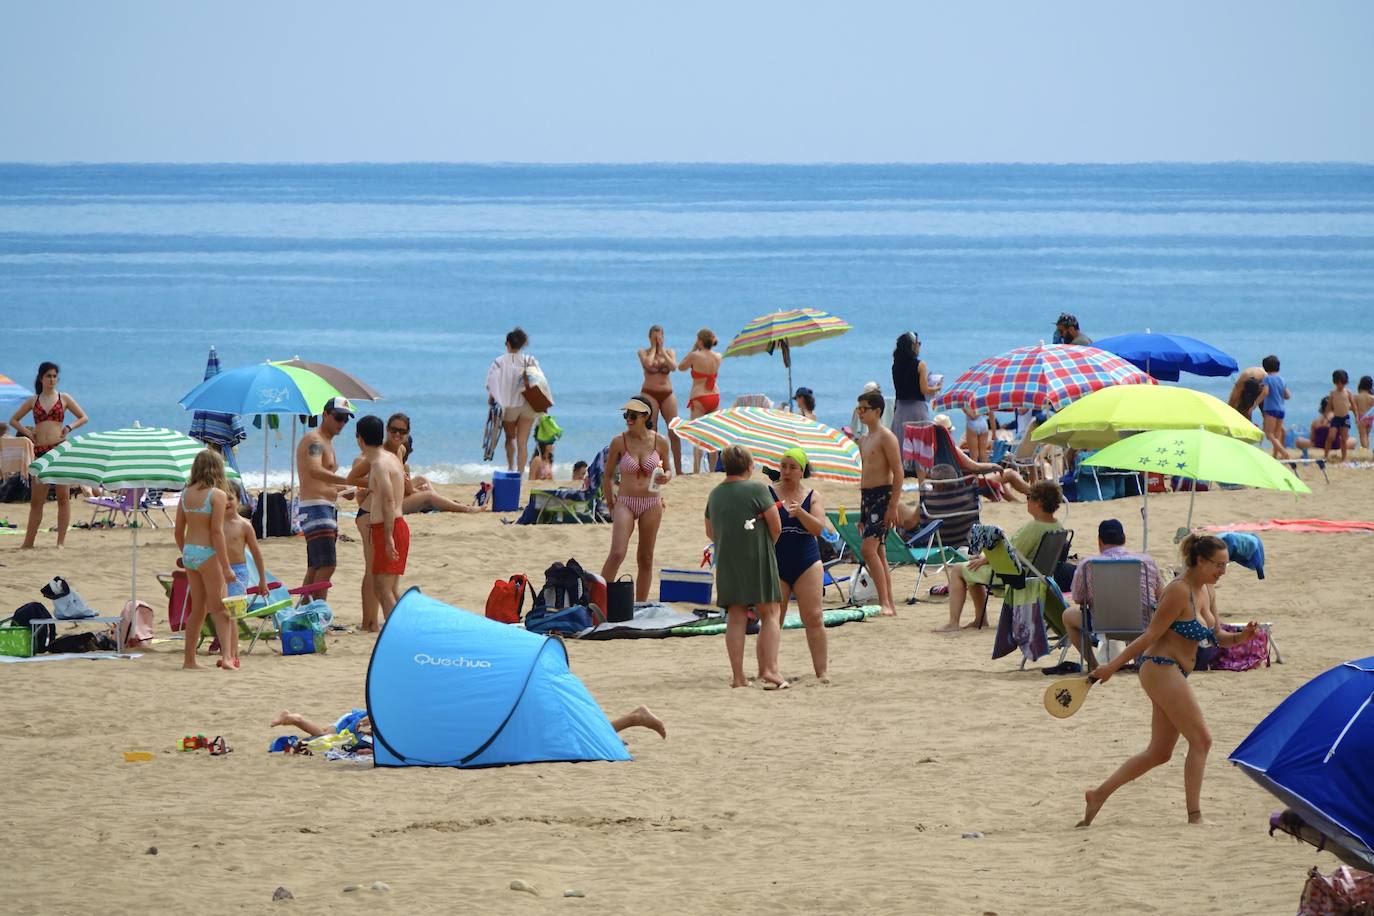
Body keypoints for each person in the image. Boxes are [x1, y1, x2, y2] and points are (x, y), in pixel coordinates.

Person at [1077, 534, 1260, 828]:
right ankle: (1195, 816)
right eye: (1218, 565)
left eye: (1226, 565)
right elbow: (1150, 635)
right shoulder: (1178, 591)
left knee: (1159, 752)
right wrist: (1110, 667)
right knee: (1202, 739)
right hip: (1160, 666)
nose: (1223, 571)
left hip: (1174, 671)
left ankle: (1098, 795)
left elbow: (1218, 637)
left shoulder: (1208, 590)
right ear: (1199, 560)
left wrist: (1242, 637)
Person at [705, 445, 785, 689]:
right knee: (770, 612)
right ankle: (768, 670)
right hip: (757, 554)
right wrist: (764, 543)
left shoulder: (715, 494)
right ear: (750, 467)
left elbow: (710, 532)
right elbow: (776, 526)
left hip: (728, 558)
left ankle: (738, 676)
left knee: (736, 616)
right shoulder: (757, 489)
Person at [936, 480, 1064, 632]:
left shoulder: (1034, 527)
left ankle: (954, 623)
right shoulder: (1058, 527)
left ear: (1039, 503)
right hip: (1040, 576)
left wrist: (986, 558)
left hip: (1015, 576)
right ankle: (980, 619)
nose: (1026, 500)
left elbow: (1013, 554)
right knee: (971, 568)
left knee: (958, 569)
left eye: (1029, 497)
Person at [1056, 518, 1163, 673]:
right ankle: (1142, 661)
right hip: (1142, 625)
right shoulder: (1146, 562)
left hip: (1103, 624)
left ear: (1099, 541)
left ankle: (1093, 664)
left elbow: (1078, 598)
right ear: (1124, 538)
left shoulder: (1088, 564)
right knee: (1146, 608)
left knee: (1068, 615)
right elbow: (1161, 596)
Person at [8, 362, 88, 549]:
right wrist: (29, 433)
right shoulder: (33, 400)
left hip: (59, 449)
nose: (52, 379)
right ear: (41, 378)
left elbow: (83, 417)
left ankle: (60, 543)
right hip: (40, 451)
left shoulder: (64, 398)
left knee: (62, 498)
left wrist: (69, 427)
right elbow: (14, 420)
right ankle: (28, 543)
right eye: (48, 376)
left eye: (54, 376)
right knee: (37, 501)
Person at [601, 397, 672, 602]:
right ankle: (596, 601)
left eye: (632, 416)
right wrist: (611, 504)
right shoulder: (619, 441)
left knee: (646, 557)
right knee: (617, 553)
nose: (628, 420)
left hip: (651, 503)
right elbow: (607, 476)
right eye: (626, 415)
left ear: (645, 416)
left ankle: (640, 605)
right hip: (626, 501)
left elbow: (668, 470)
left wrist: (666, 477)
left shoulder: (660, 441)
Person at [769, 447, 829, 682]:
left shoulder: (812, 495)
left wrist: (800, 513)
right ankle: (771, 670)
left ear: (802, 471)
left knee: (814, 617)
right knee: (775, 618)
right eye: (783, 466)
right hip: (777, 560)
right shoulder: (768, 493)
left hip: (807, 561)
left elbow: (818, 528)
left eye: (792, 467)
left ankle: (822, 672)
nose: (786, 471)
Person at [174, 450, 236, 671]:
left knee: (198, 609)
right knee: (220, 609)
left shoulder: (185, 494)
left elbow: (179, 530)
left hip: (190, 551)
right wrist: (226, 566)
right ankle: (227, 657)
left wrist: (186, 553)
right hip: (208, 552)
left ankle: (189, 660)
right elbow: (216, 533)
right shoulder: (217, 495)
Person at [295, 396, 354, 603]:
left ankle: (304, 613)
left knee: (316, 565)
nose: (342, 423)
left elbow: (323, 478)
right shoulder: (315, 440)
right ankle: (317, 613)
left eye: (346, 419)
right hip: (315, 507)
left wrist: (345, 488)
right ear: (325, 414)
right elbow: (314, 470)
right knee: (328, 564)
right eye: (338, 418)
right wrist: (349, 479)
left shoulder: (326, 442)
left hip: (324, 506)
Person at [856, 389, 903, 617]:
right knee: (879, 553)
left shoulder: (886, 437)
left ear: (877, 411)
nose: (860, 413)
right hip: (868, 498)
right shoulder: (863, 440)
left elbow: (899, 472)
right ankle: (889, 604)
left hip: (883, 496)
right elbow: (865, 477)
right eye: (859, 408)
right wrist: (862, 513)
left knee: (868, 549)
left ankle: (884, 601)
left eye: (864, 409)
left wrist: (893, 505)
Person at [356, 415, 408, 620]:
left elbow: (388, 501)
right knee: (386, 588)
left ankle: (396, 635)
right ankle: (401, 631)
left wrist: (388, 537)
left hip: (390, 527)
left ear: (360, 439)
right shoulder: (392, 458)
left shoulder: (378, 463)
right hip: (394, 525)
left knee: (383, 589)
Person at [485, 327, 544, 474]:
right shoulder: (530, 360)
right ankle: (520, 473)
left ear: (507, 343)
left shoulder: (499, 362)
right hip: (529, 404)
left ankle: (511, 467)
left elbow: (491, 385)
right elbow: (540, 381)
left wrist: (492, 399)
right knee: (523, 441)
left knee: (510, 438)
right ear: (522, 344)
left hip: (510, 405)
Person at [639, 325, 683, 475]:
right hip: (649, 393)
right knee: (652, 431)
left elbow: (673, 366)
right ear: (649, 337)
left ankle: (678, 469)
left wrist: (662, 350)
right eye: (654, 337)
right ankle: (654, 466)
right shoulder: (643, 352)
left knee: (674, 431)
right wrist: (653, 348)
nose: (658, 340)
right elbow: (648, 364)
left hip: (667, 394)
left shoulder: (670, 352)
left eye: (660, 337)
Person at [678, 328, 722, 474]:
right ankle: (712, 470)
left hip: (699, 395)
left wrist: (693, 348)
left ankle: (696, 470)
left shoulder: (695, 356)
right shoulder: (718, 356)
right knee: (713, 436)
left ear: (700, 341)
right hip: (714, 395)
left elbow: (681, 367)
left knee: (696, 435)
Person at [890, 331, 939, 439]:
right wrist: (936, 388)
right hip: (917, 409)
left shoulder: (895, 366)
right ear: (913, 345)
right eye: (918, 343)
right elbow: (924, 390)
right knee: (919, 445)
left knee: (901, 442)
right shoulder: (920, 365)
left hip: (900, 409)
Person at [1260, 354, 1291, 459]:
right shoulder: (1282, 380)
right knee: (1277, 435)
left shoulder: (1267, 379)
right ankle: (1275, 455)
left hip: (1271, 409)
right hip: (1281, 409)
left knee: (1269, 434)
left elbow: (1265, 392)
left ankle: (1283, 452)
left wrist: (1255, 403)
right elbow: (1287, 395)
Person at [1327, 369, 1355, 462]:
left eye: (1342, 383)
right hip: (1336, 418)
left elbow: (1353, 405)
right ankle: (1325, 455)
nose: (1340, 385)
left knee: (1343, 438)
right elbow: (1329, 406)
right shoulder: (1333, 393)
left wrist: (1356, 416)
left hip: (1345, 418)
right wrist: (1327, 416)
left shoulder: (1348, 392)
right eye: (1338, 383)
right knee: (1331, 436)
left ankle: (1344, 458)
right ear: (1335, 382)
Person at [1355, 375, 1374, 452]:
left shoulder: (1357, 397)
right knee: (1367, 435)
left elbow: (1353, 407)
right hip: (1370, 418)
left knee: (1362, 435)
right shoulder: (1372, 397)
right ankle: (1367, 449)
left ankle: (1365, 450)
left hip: (1361, 417)